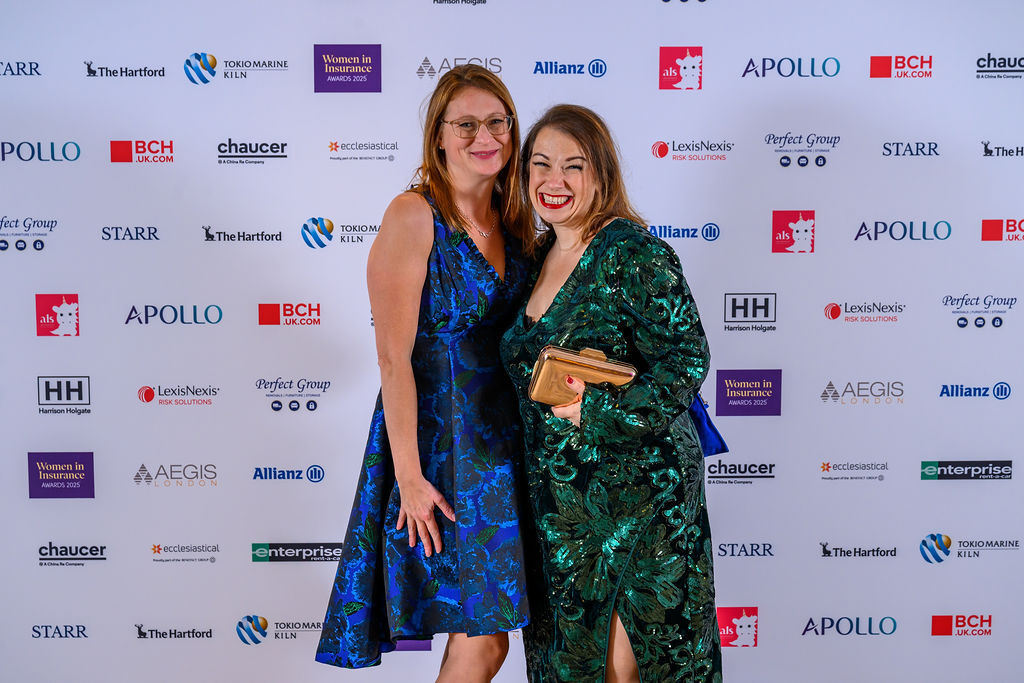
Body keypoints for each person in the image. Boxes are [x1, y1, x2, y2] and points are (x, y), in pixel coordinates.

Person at [316, 64, 532, 682]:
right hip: (442, 450)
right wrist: (409, 477)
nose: (484, 136)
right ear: (438, 135)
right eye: (465, 125)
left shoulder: (518, 223)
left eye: (497, 122)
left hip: (506, 450)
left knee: (487, 639)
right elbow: (393, 359)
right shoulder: (414, 214)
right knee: (483, 641)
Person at [500, 105, 722, 683]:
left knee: (627, 668)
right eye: (541, 164)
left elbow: (687, 359)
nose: (554, 180)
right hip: (560, 511)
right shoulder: (535, 257)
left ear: (601, 173)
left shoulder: (631, 252)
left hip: (638, 501)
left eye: (573, 166)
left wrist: (595, 411)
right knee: (575, 666)